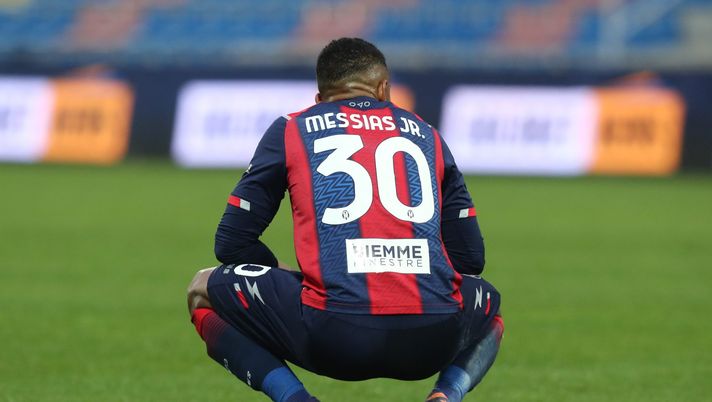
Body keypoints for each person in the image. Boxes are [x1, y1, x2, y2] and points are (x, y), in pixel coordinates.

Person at [186, 37, 504, 402]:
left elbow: (231, 244)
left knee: (201, 288)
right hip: (430, 339)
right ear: (384, 89)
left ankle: (296, 399)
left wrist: (292, 276)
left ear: (319, 99)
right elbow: (469, 260)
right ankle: (445, 396)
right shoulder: (427, 134)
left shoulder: (292, 128)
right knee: (490, 305)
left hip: (334, 335)